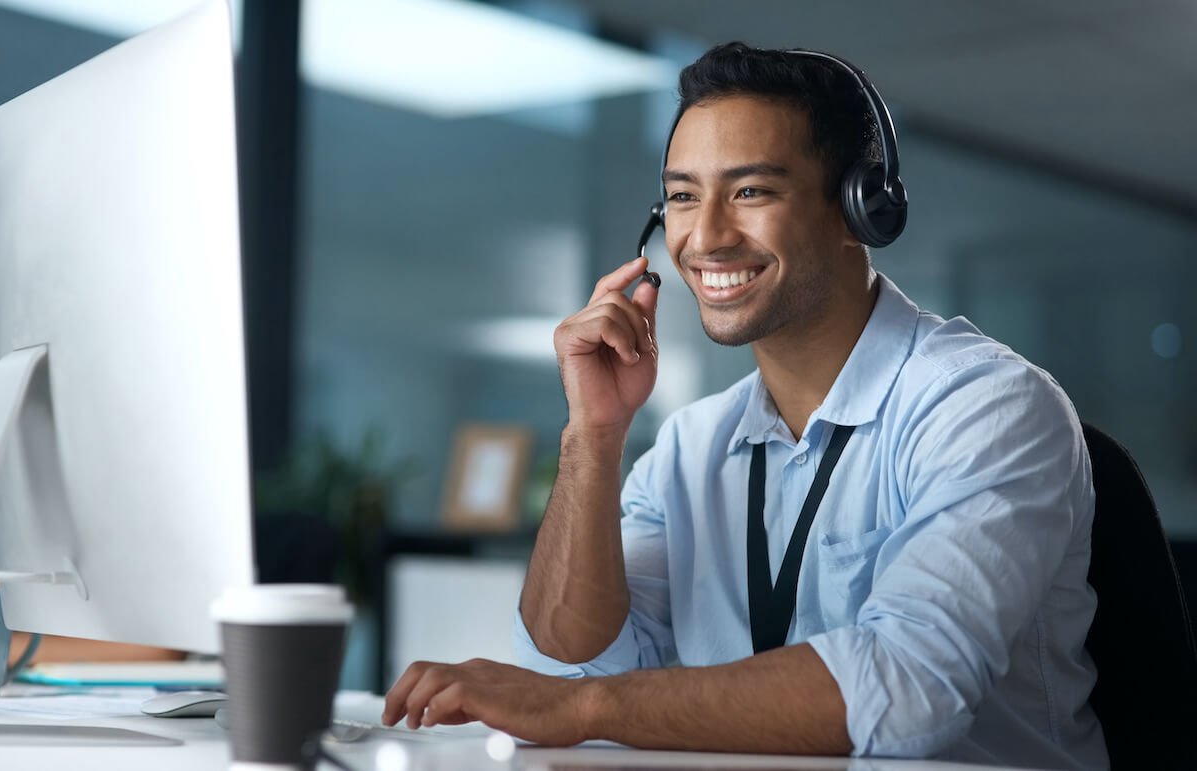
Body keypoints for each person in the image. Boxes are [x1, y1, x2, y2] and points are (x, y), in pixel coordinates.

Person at [382, 42, 1105, 769]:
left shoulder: (986, 408)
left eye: (752, 191)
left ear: (861, 207)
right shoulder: (690, 447)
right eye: (684, 196)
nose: (706, 236)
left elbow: (908, 685)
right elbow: (575, 667)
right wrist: (592, 435)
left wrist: (581, 710)